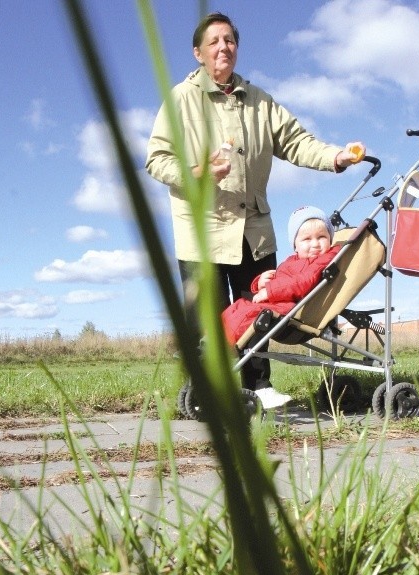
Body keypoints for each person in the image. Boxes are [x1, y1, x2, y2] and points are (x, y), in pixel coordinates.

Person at [145, 12, 365, 407]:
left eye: (229, 40)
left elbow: (298, 142)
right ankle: (207, 392)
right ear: (198, 53)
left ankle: (259, 388)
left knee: (262, 309)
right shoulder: (180, 100)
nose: (222, 47)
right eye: (212, 42)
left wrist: (337, 156)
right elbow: (157, 160)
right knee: (206, 321)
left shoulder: (261, 101)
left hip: (253, 230)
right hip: (203, 232)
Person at [221, 206, 339, 408]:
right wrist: (260, 282)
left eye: (321, 237)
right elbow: (281, 279)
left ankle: (259, 387)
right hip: (277, 306)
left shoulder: (324, 261)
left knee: (251, 315)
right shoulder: (291, 261)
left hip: (292, 313)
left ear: (330, 238)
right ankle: (215, 341)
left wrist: (270, 292)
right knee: (238, 306)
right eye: (306, 239)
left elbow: (304, 282)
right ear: (295, 245)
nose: (315, 244)